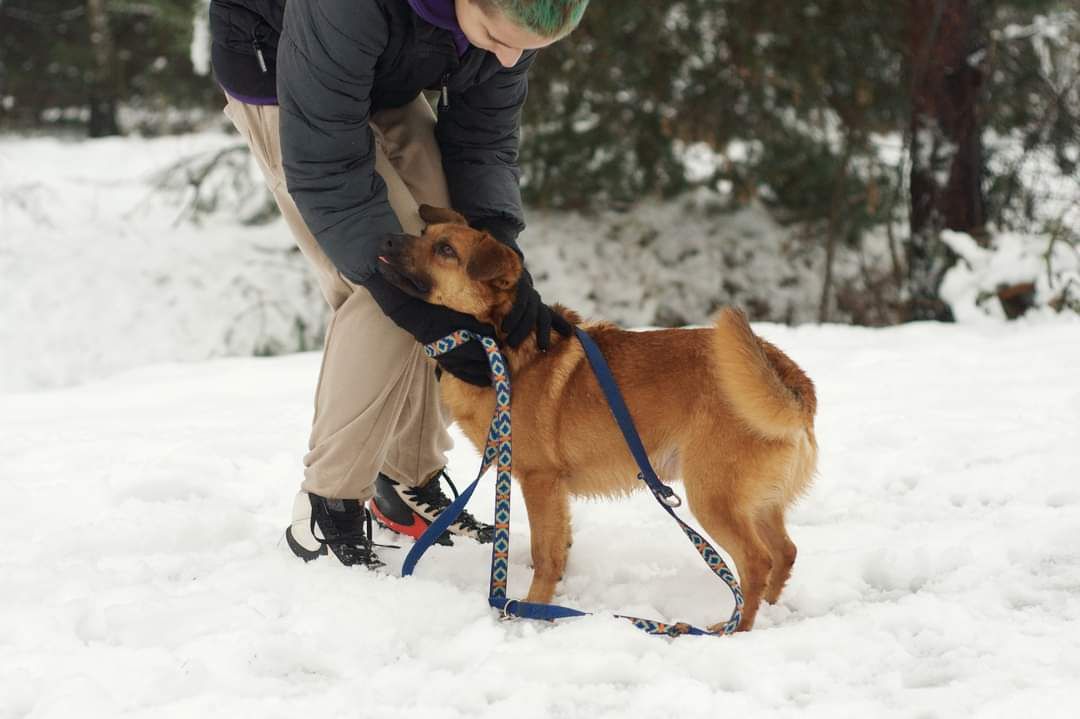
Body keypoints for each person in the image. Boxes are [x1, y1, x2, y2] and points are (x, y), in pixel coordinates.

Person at [208, 0, 587, 568]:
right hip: (285, 69)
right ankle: (327, 501)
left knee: (448, 263)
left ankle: (406, 479)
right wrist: (401, 295)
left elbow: (483, 139)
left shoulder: (518, 21)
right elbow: (330, 170)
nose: (510, 57)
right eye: (495, 36)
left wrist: (495, 245)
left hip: (387, 64)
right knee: (392, 282)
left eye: (526, 49)